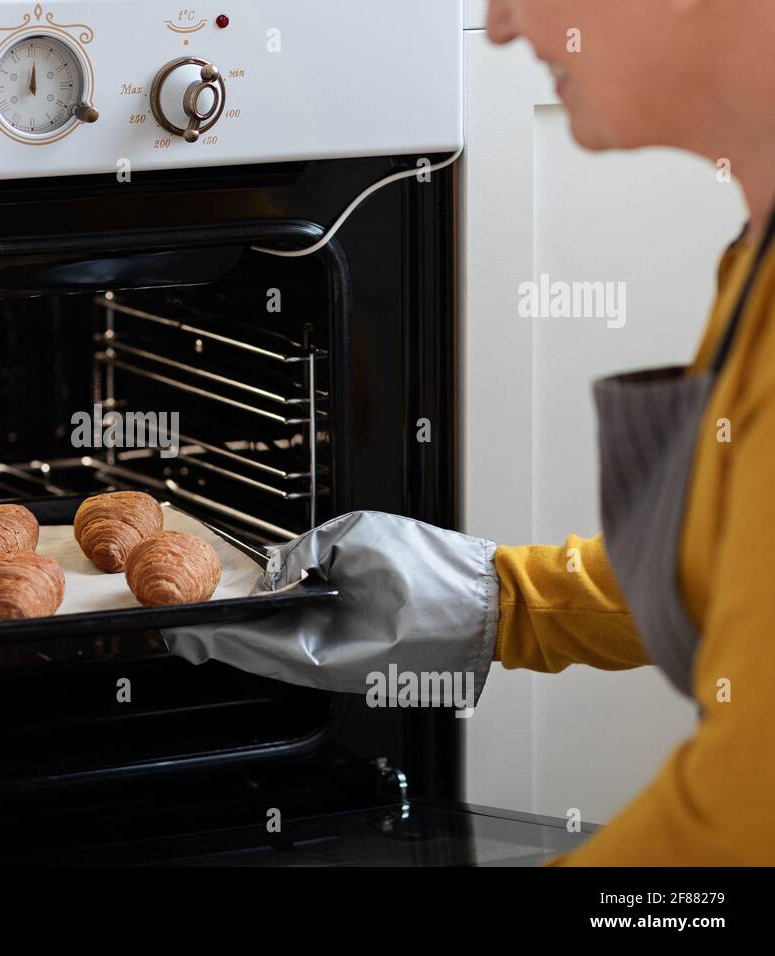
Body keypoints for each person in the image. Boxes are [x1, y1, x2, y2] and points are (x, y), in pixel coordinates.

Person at [166, 0, 775, 865]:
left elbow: (739, 824)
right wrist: (499, 600)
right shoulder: (757, 254)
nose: (494, 26)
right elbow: (739, 570)